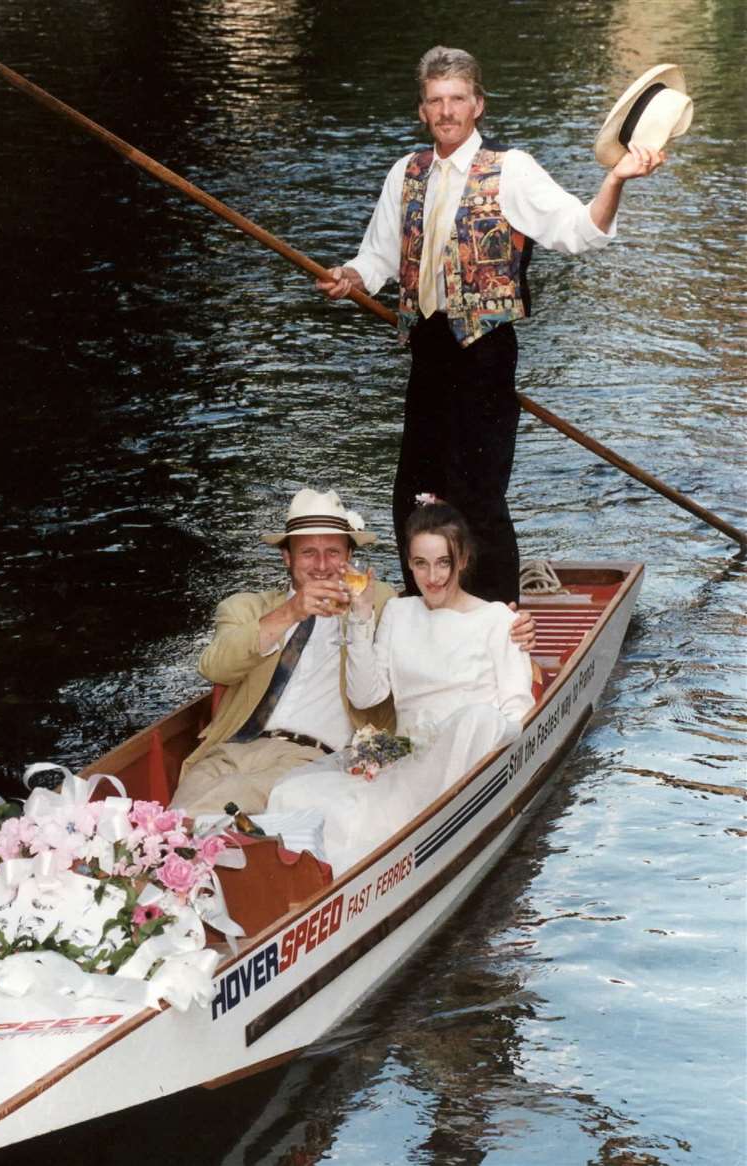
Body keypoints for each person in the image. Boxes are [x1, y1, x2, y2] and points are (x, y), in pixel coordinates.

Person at [317, 45, 670, 605]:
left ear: (478, 105)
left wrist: (617, 180)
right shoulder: (406, 173)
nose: (447, 111)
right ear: (422, 111)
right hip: (427, 352)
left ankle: (503, 623)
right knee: (415, 496)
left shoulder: (512, 169)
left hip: (484, 353)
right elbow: (378, 258)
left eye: (458, 98)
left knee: (477, 497)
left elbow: (578, 231)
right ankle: (427, 613)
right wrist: (349, 276)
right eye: (436, 101)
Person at [168, 487, 534, 818]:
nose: (323, 565)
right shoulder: (246, 608)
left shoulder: (381, 605)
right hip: (229, 748)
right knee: (185, 804)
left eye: (333, 553)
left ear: (350, 558)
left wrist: (513, 629)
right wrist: (292, 611)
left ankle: (153, 860)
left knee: (203, 813)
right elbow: (215, 667)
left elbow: (445, 628)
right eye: (308, 553)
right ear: (286, 557)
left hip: (308, 757)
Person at [267, 497, 534, 873]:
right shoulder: (397, 611)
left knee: (477, 718)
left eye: (444, 562)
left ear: (463, 559)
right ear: (409, 564)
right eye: (421, 564)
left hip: (470, 762)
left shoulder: (496, 620)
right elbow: (366, 695)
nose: (433, 577)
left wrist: (479, 738)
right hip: (406, 760)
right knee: (292, 792)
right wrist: (360, 619)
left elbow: (518, 712)